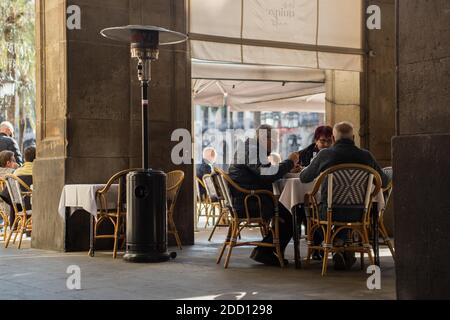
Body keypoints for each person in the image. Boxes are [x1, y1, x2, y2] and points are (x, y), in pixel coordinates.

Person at [300, 121, 390, 270]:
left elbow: (304, 178)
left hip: (328, 212)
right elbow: (384, 181)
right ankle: (341, 245)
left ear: (334, 139)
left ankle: (336, 245)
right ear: (353, 138)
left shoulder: (325, 154)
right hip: (359, 212)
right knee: (348, 206)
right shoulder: (366, 156)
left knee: (319, 207)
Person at [228, 124, 299, 266]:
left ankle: (267, 251)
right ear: (263, 138)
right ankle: (265, 252)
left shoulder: (251, 149)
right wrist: (289, 162)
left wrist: (284, 168)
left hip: (248, 199)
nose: (276, 143)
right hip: (250, 203)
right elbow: (266, 174)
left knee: (288, 211)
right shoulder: (253, 151)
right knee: (292, 214)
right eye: (274, 139)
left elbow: (264, 172)